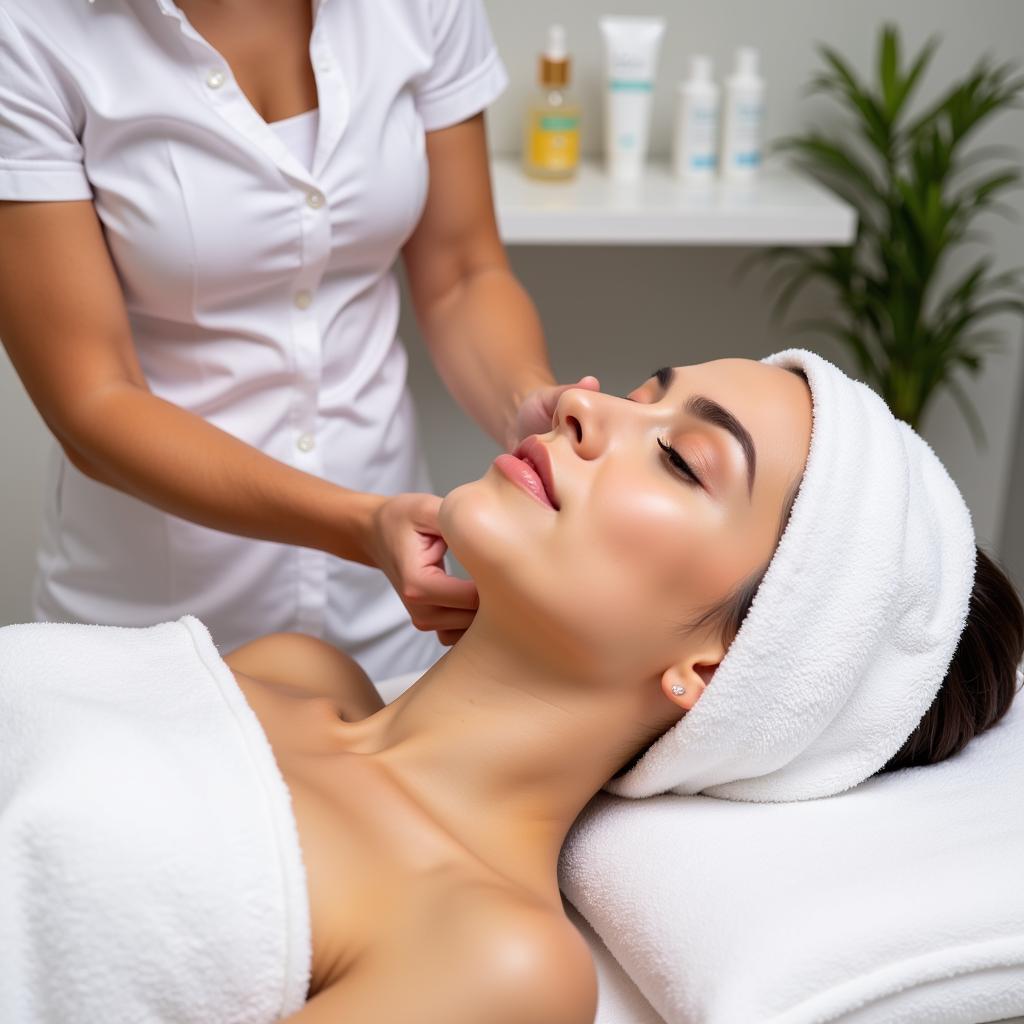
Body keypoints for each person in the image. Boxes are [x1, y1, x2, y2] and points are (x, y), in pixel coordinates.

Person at [2, 356, 1021, 1022]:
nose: (582, 400)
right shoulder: (294, 669)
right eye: (645, 387)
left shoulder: (497, 956)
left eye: (677, 456)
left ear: (713, 668)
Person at [0, 0, 597, 679]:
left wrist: (523, 400)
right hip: (150, 630)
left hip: (390, 615)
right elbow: (93, 401)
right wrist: (358, 526)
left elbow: (462, 273)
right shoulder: (26, 29)